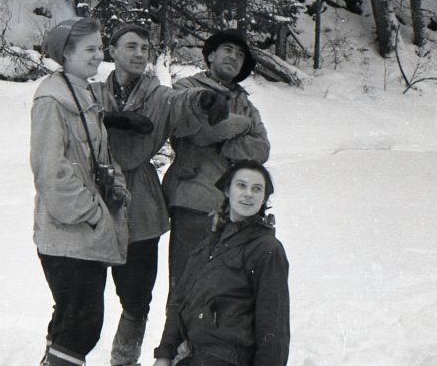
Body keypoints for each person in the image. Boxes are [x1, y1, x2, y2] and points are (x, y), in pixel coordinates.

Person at [90, 22, 230, 366]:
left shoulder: (157, 94)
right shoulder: (92, 91)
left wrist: (202, 99)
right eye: (132, 46)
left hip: (141, 204)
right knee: (83, 291)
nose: (140, 54)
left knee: (136, 297)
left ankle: (124, 360)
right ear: (113, 51)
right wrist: (107, 119)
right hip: (94, 197)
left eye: (144, 49)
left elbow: (180, 103)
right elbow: (72, 114)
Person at [30, 17, 131, 366]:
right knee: (82, 324)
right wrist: (91, 213)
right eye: (89, 49)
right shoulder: (52, 99)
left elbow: (101, 156)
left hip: (82, 234)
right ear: (67, 53)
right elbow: (49, 171)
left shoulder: (83, 92)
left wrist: (116, 186)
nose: (98, 55)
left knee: (71, 318)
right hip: (69, 231)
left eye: (99, 47)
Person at [162, 29, 270, 290]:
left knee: (224, 290)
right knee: (186, 286)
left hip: (234, 207)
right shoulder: (188, 89)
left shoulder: (245, 102)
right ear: (210, 56)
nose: (234, 57)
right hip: (194, 200)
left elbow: (261, 149)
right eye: (228, 50)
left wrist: (224, 136)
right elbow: (199, 133)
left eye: (240, 54)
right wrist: (243, 126)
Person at [154, 160, 290, 366]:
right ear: (227, 190)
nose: (248, 194)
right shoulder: (207, 245)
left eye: (257, 189)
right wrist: (164, 354)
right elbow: (179, 302)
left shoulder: (266, 249)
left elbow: (273, 326)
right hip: (192, 356)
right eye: (241, 185)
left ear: (264, 199)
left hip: (229, 358)